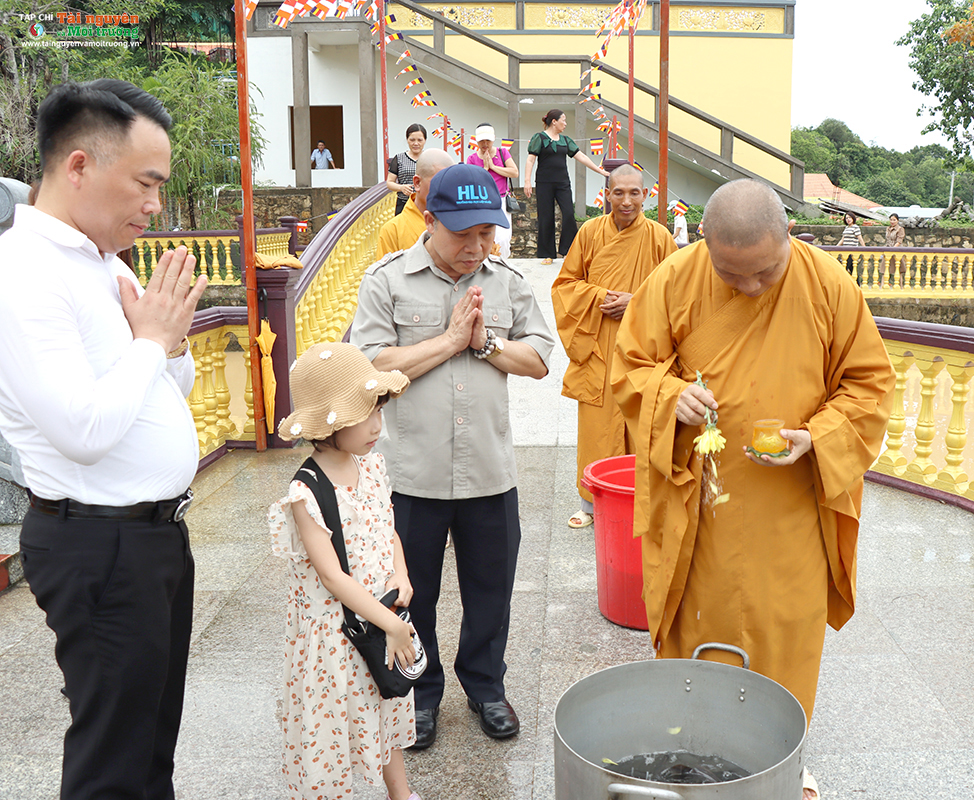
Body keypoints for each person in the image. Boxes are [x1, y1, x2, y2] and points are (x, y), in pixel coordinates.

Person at [611, 180, 892, 782]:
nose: (752, 288)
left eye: (766, 272)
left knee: (783, 636)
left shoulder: (829, 285)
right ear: (704, 241)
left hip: (790, 509)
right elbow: (629, 368)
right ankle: (691, 754)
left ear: (789, 234)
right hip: (700, 507)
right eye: (731, 275)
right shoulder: (673, 279)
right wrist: (671, 396)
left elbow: (868, 385)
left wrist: (816, 437)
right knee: (699, 633)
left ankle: (782, 757)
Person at [0, 79, 208, 799]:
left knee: (150, 743)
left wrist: (167, 343)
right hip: (99, 542)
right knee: (112, 758)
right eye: (146, 183)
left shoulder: (102, 261)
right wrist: (150, 340)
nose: (155, 205)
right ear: (80, 165)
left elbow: (170, 387)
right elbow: (82, 431)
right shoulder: (25, 273)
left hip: (152, 536)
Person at [351, 163, 556, 750]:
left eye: (486, 233)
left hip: (489, 471)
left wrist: (485, 342)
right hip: (412, 473)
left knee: (492, 590)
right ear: (429, 218)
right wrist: (447, 342)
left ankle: (486, 687)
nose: (476, 246)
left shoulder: (507, 282)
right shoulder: (387, 280)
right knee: (412, 592)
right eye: (463, 233)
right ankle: (420, 693)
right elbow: (369, 364)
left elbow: (539, 359)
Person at [269, 342, 420, 800]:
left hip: (379, 617)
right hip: (336, 635)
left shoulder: (370, 464)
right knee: (331, 732)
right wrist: (391, 623)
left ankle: (401, 794)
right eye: (364, 414)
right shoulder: (306, 492)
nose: (377, 425)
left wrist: (401, 574)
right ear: (328, 423)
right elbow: (332, 577)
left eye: (379, 410)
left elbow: (387, 529)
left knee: (385, 704)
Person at [551, 163, 677, 528]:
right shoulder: (590, 233)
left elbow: (678, 295)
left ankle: (645, 501)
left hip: (643, 349)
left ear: (645, 196)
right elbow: (564, 286)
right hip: (598, 344)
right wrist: (601, 297)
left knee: (643, 424)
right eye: (618, 192)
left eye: (634, 193)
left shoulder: (659, 238)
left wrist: (635, 302)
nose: (626, 201)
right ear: (606, 195)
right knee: (598, 427)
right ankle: (590, 503)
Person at [524, 109, 609, 264]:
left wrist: (600, 171)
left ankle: (568, 250)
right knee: (546, 217)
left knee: (569, 214)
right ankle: (547, 254)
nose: (565, 123)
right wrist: (527, 181)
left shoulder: (565, 140)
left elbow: (581, 156)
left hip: (562, 183)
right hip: (544, 183)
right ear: (554, 121)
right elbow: (530, 160)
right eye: (563, 120)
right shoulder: (539, 138)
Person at [377, 148, 454, 259]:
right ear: (417, 183)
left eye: (450, 183)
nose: (445, 189)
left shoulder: (461, 224)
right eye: (439, 182)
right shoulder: (393, 230)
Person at [466, 124, 518, 259]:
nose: (485, 144)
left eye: (488, 140)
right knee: (482, 237)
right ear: (476, 141)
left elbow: (514, 172)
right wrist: (485, 169)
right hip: (481, 202)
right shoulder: (472, 159)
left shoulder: (502, 153)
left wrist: (493, 167)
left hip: (501, 200)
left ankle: (502, 263)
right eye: (482, 141)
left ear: (493, 139)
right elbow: (470, 181)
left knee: (503, 238)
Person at [387, 123, 426, 215]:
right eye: (412, 140)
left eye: (420, 140)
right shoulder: (399, 158)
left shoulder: (429, 157)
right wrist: (401, 188)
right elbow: (389, 182)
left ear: (425, 140)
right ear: (407, 140)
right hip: (403, 204)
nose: (416, 143)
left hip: (424, 203)